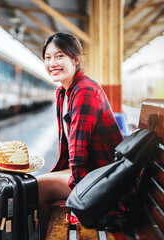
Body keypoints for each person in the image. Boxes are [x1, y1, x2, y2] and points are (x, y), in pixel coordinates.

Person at [36, 32, 124, 238]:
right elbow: (67, 148)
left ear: (75, 60)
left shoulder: (85, 90)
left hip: (107, 177)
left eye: (59, 56)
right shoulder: (63, 93)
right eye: (47, 58)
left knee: (36, 189)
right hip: (95, 171)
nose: (52, 63)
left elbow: (78, 149)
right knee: (31, 184)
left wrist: (76, 194)